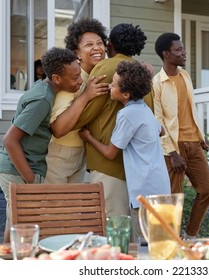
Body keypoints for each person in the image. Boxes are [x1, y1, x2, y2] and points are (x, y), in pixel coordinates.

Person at [0, 47, 83, 242]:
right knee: (22, 229)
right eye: (75, 77)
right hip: (18, 170)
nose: (80, 81)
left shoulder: (43, 87)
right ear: (57, 79)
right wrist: (30, 179)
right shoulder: (42, 99)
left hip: (19, 169)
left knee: (14, 224)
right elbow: (10, 139)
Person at [79, 61, 171, 241]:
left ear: (126, 94)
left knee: (142, 242)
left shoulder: (127, 115)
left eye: (113, 84)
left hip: (143, 189)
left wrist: (88, 137)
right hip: (159, 183)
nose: (110, 86)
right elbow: (161, 131)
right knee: (159, 239)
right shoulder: (144, 109)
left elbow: (110, 153)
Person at [72, 23, 152, 219]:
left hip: (107, 162)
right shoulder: (142, 74)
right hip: (136, 166)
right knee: (133, 231)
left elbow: (84, 114)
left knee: (113, 227)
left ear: (110, 44)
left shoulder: (106, 67)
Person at [152, 32, 209, 239]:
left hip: (194, 143)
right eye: (178, 49)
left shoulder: (185, 76)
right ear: (166, 53)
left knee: (207, 190)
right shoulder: (157, 83)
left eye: (182, 48)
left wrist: (200, 135)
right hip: (174, 148)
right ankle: (169, 241)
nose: (183, 52)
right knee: (173, 199)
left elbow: (190, 109)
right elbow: (158, 121)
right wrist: (171, 152)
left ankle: (190, 235)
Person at [44, 18, 109, 184]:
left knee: (76, 208)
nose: (96, 48)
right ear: (77, 52)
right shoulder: (72, 77)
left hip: (82, 153)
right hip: (60, 153)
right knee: (56, 208)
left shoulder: (96, 75)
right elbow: (57, 129)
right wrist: (86, 95)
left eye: (100, 43)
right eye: (88, 44)